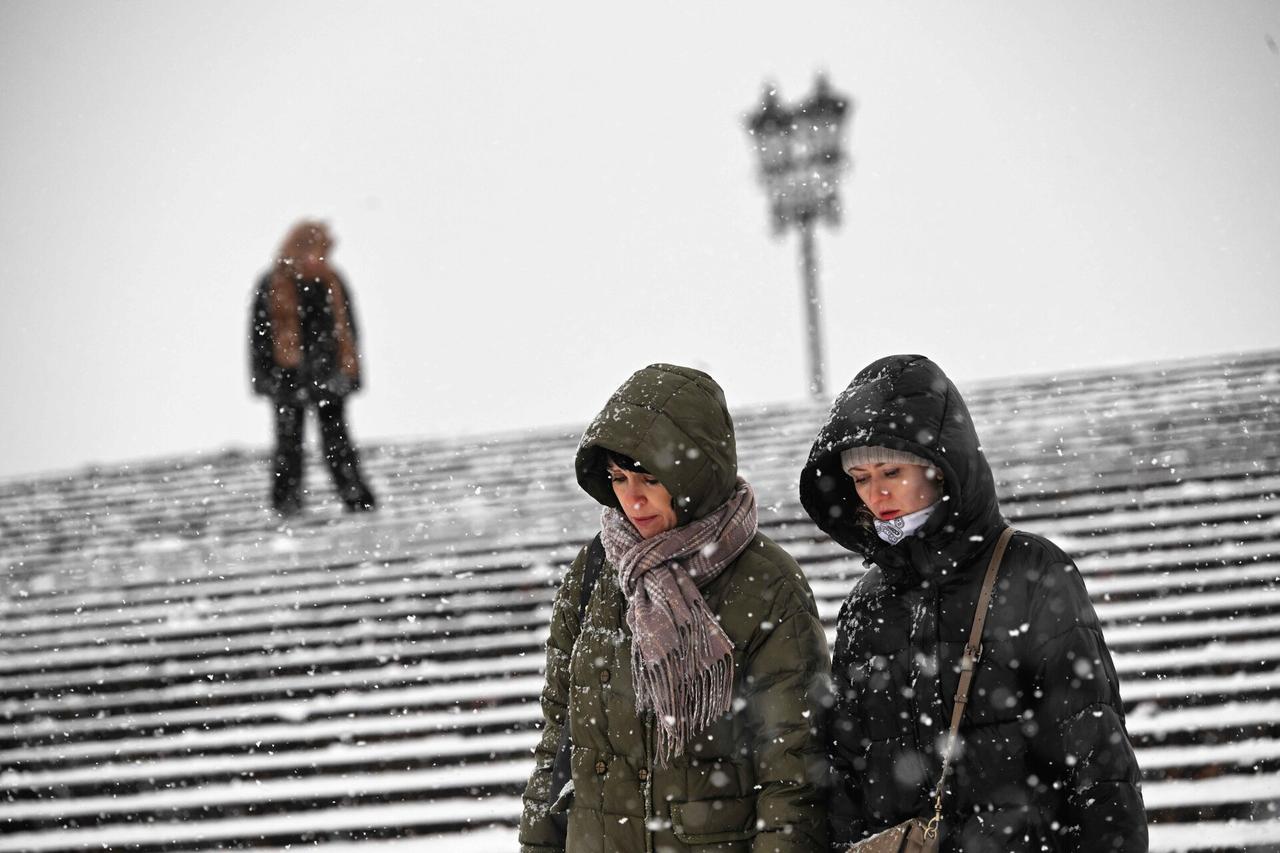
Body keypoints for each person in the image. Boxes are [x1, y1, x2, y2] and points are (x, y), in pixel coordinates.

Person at [798, 354, 1147, 852]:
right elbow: (848, 774)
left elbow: (1094, 754)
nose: (875, 494)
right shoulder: (867, 603)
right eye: (859, 478)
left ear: (939, 468)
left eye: (891, 470)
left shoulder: (1030, 570)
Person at [519, 363, 830, 853]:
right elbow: (560, 739)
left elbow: (792, 767)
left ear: (693, 473)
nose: (632, 499)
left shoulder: (767, 583)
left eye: (649, 476)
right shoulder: (595, 572)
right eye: (618, 478)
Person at [249, 220, 375, 516]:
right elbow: (260, 338)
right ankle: (286, 501)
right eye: (315, 252)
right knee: (288, 443)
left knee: (337, 441)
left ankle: (355, 496)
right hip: (287, 379)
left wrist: (350, 374)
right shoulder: (272, 284)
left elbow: (348, 331)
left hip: (329, 377)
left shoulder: (333, 282)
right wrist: (266, 379)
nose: (319, 259)